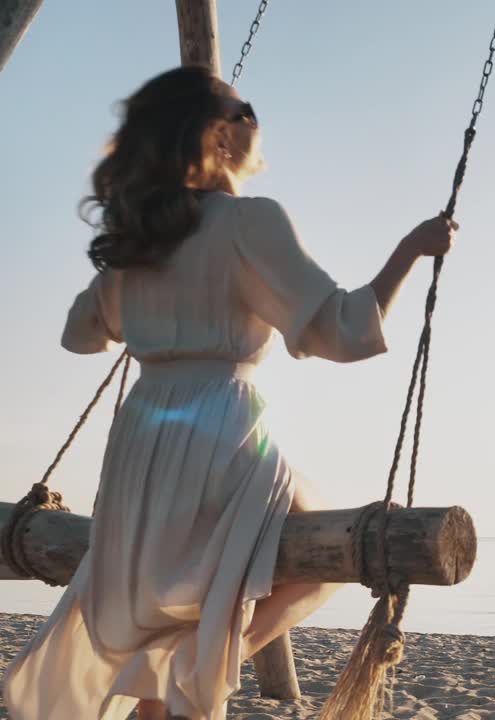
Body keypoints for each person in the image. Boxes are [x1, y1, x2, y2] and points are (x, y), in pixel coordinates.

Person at [1, 65, 457, 720]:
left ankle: (168, 681)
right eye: (248, 109)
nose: (257, 121)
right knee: (314, 552)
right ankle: (183, 673)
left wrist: (145, 299)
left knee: (158, 605)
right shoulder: (248, 222)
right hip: (222, 429)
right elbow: (343, 331)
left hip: (139, 442)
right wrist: (411, 251)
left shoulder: (138, 245)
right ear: (216, 134)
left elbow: (81, 334)